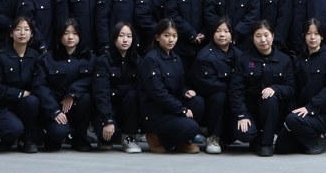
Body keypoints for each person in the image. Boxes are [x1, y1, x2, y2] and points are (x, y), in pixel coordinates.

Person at [276, 18, 326, 155]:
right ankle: (306, 139)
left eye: (316, 33)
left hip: (321, 114)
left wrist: (310, 107)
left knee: (292, 120)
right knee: (281, 147)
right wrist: (293, 110)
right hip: (302, 114)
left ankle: (319, 139)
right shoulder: (298, 60)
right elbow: (294, 89)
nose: (313, 37)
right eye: (309, 33)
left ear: (322, 36)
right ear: (303, 36)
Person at [230, 20, 296, 156]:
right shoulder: (244, 59)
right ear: (252, 38)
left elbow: (291, 88)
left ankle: (266, 143)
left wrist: (275, 89)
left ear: (273, 35)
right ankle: (256, 138)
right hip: (249, 110)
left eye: (266, 35)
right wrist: (241, 114)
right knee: (244, 134)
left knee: (269, 100)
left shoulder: (284, 60)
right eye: (258, 36)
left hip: (273, 112)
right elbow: (236, 90)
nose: (263, 40)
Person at [138, 18, 204, 154]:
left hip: (170, 108)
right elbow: (159, 93)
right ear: (157, 37)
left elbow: (180, 86)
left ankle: (180, 142)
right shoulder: (151, 60)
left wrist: (185, 92)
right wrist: (181, 110)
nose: (171, 40)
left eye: (174, 36)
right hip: (156, 112)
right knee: (193, 127)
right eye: (166, 35)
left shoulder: (176, 58)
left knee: (198, 102)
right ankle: (156, 137)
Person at [0, 16, 42, 153]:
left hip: (23, 106)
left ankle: (25, 140)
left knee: (33, 101)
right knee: (13, 131)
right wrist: (20, 94)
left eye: (26, 29)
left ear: (31, 34)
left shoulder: (35, 57)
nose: (22, 33)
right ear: (11, 33)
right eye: (18, 29)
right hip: (1, 106)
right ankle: (3, 138)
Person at [36, 19, 95, 152]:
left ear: (79, 35)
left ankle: (79, 138)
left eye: (74, 33)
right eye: (66, 33)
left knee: (87, 98)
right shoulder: (47, 59)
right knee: (57, 135)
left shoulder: (90, 59)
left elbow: (92, 81)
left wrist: (73, 93)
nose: (70, 37)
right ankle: (54, 137)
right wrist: (54, 110)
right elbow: (40, 86)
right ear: (60, 36)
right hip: (55, 109)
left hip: (76, 108)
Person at [191, 17, 239, 154]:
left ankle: (227, 136)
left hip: (232, 100)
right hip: (210, 102)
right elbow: (209, 85)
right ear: (212, 34)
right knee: (220, 96)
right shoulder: (205, 56)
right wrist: (234, 89)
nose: (222, 34)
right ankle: (213, 137)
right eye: (218, 31)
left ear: (232, 35)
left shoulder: (239, 55)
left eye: (226, 31)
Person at [94, 22, 142, 153]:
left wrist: (116, 91)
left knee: (133, 95)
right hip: (108, 108)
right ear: (114, 38)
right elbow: (101, 92)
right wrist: (107, 120)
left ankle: (129, 138)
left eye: (129, 36)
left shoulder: (138, 61)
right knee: (105, 141)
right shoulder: (103, 61)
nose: (125, 40)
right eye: (121, 36)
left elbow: (139, 87)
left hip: (129, 109)